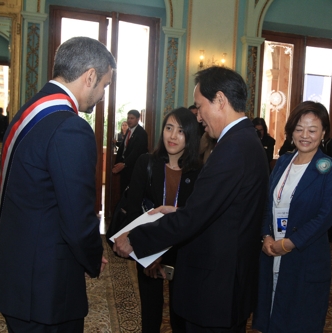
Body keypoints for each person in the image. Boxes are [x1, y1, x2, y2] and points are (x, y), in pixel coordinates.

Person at [114, 66, 269, 332]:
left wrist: (135, 239)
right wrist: (177, 212)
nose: (198, 118)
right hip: (226, 283)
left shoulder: (232, 149)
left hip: (216, 288)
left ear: (220, 100)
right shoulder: (245, 142)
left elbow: (195, 217)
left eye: (200, 107)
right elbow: (220, 212)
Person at [0, 36, 115, 332]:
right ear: (90, 76)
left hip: (15, 272)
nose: (103, 95)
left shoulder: (29, 111)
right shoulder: (70, 128)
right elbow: (77, 216)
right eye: (105, 85)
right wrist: (93, 256)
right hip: (43, 288)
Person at [253, 101, 332, 332]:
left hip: (304, 255)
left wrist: (290, 243)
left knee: (298, 319)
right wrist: (265, 236)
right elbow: (267, 204)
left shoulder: (330, 168)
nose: (305, 135)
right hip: (272, 251)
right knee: (271, 313)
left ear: (323, 133)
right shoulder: (283, 161)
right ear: (291, 131)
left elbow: (325, 216)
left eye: (312, 130)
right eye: (299, 129)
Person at [124, 107, 202, 333]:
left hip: (182, 252)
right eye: (169, 128)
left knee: (181, 316)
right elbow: (133, 211)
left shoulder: (198, 172)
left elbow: (194, 219)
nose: (173, 136)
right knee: (150, 315)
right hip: (147, 248)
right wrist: (147, 255)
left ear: (191, 136)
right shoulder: (146, 163)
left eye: (180, 131)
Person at [112, 109, 149, 193]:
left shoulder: (141, 133)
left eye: (132, 118)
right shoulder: (129, 131)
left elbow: (137, 151)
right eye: (128, 118)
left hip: (134, 169)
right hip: (125, 169)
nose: (129, 120)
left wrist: (125, 164)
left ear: (138, 119)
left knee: (131, 192)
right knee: (123, 191)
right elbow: (126, 146)